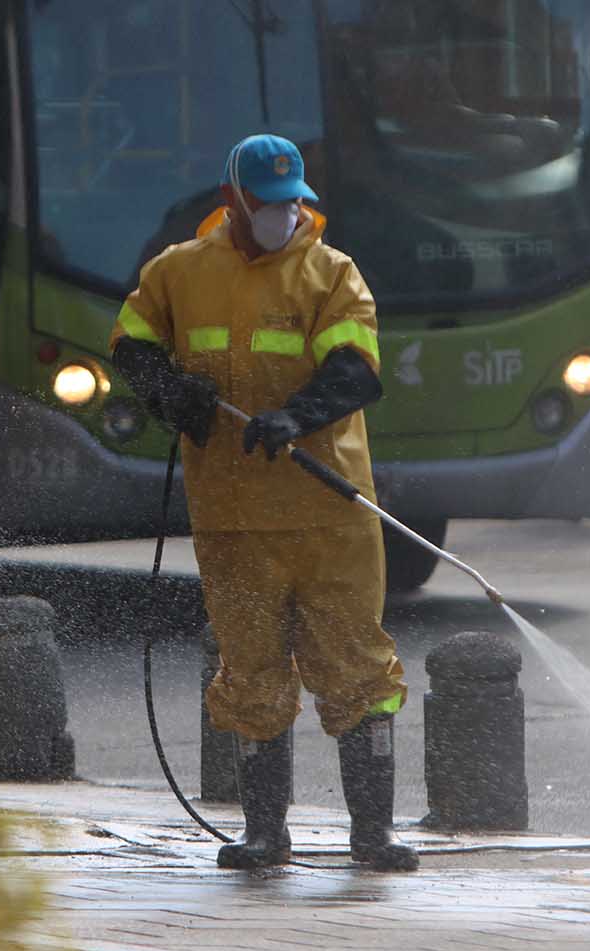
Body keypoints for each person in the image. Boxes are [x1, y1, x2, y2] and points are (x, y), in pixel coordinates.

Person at [108, 134, 417, 873]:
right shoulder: (178, 272)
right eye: (270, 203)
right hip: (232, 518)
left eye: (293, 202)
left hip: (329, 515)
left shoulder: (331, 273)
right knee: (250, 672)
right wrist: (170, 392)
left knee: (358, 671)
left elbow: (356, 369)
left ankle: (372, 834)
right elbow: (131, 345)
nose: (286, 215)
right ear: (233, 200)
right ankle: (263, 834)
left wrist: (295, 417)